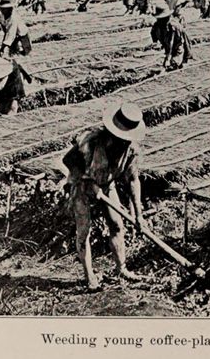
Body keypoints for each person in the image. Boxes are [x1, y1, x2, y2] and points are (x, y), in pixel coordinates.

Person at [62, 101, 147, 291]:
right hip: (82, 187)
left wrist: (139, 215)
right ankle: (89, 276)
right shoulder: (91, 141)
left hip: (108, 186)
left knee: (117, 225)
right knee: (84, 231)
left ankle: (121, 268)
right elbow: (68, 160)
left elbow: (133, 180)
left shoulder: (131, 150)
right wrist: (88, 182)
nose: (123, 141)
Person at [150, 5, 193, 71]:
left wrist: (168, 58)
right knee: (164, 65)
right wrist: (156, 43)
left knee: (173, 65)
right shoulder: (156, 26)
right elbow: (153, 35)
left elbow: (173, 42)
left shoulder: (174, 27)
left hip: (177, 48)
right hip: (166, 47)